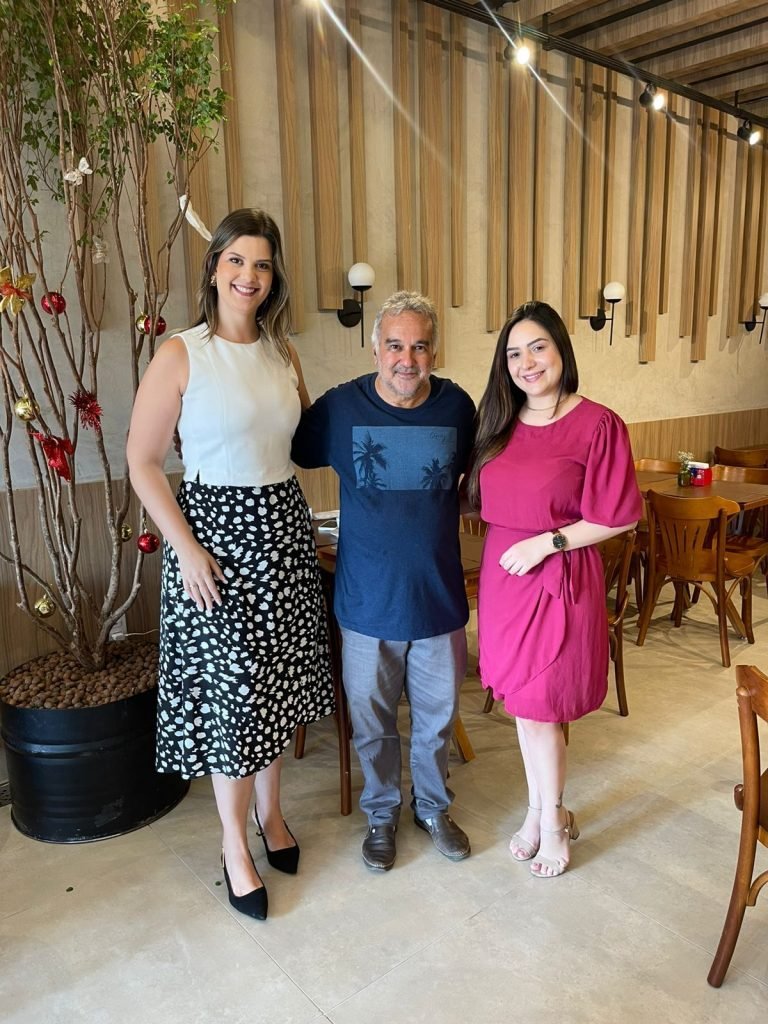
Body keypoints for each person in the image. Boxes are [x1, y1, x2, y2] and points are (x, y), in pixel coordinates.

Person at [127, 208, 334, 920]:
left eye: (262, 264)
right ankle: (233, 844)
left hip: (282, 533)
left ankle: (272, 816)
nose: (249, 275)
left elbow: (305, 440)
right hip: (212, 542)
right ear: (214, 267)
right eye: (237, 260)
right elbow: (142, 461)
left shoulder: (282, 352)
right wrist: (185, 548)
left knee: (274, 687)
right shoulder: (181, 353)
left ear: (274, 277)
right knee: (236, 700)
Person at [292, 291, 475, 871]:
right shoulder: (340, 408)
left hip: (438, 601)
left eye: (420, 347)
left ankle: (432, 808)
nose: (407, 359)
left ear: (434, 352)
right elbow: (285, 441)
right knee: (372, 725)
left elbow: (480, 478)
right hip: (367, 604)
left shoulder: (457, 407)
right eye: (395, 345)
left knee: (436, 723)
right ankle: (381, 813)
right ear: (375, 350)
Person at [467, 301, 641, 878]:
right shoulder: (499, 423)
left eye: (537, 347)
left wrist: (548, 543)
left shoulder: (598, 424)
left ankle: (553, 822)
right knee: (524, 709)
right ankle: (540, 810)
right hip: (504, 581)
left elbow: (619, 515)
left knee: (542, 709)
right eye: (514, 353)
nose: (527, 362)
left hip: (558, 577)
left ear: (562, 349)